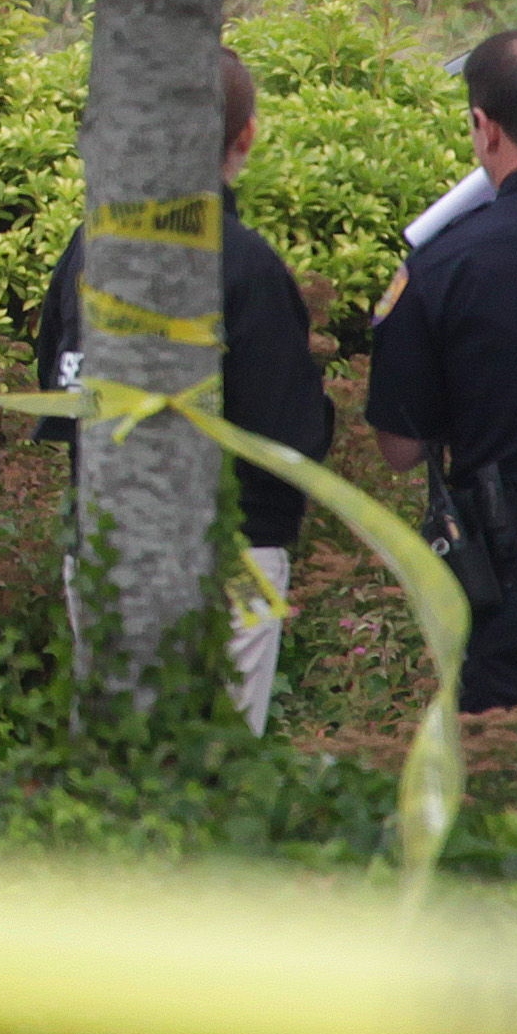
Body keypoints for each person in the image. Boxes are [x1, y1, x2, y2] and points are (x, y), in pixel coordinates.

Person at [32, 47, 333, 728]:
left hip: (107, 546)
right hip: (229, 555)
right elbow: (290, 437)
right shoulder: (248, 265)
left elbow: (57, 381)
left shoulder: (91, 246)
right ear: (245, 136)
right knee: (215, 757)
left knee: (118, 753)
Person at [360, 26, 517, 714]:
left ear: (485, 128)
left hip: (516, 570)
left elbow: (399, 449)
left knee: (513, 760)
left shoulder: (444, 264)